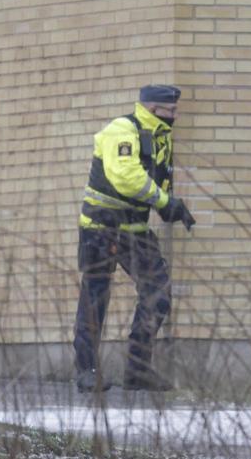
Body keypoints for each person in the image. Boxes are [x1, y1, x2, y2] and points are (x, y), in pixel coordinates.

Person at [73, 84, 196, 393]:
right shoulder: (122, 129)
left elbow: (156, 179)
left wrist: (171, 205)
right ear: (154, 109)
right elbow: (126, 177)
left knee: (158, 292)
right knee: (95, 298)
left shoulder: (160, 138)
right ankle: (86, 371)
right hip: (101, 227)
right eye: (171, 111)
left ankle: (138, 370)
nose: (175, 115)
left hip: (135, 229)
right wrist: (165, 202)